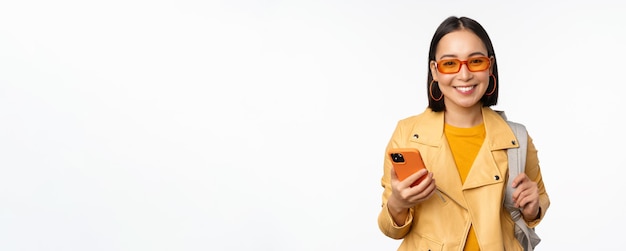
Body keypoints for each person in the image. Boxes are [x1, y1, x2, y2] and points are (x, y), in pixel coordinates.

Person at [377, 16, 550, 251]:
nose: (465, 74)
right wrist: (398, 202)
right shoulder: (408, 134)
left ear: (489, 66)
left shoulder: (516, 137)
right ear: (434, 71)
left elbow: (537, 202)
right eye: (450, 64)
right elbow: (390, 229)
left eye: (475, 61)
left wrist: (533, 208)